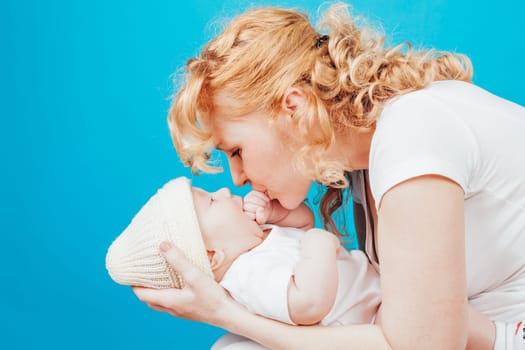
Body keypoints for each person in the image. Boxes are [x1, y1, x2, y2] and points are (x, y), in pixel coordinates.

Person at [132, 3, 525, 350]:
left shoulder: (412, 135)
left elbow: (426, 346)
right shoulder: (366, 165)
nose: (236, 179)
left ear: (293, 108)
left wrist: (226, 313)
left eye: (236, 151)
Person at [106, 177, 382, 327]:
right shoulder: (247, 276)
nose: (225, 190)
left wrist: (275, 213)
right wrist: (318, 244)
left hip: (379, 294)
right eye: (212, 201)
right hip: (367, 320)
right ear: (213, 256)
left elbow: (303, 222)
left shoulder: (259, 238)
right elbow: (307, 305)